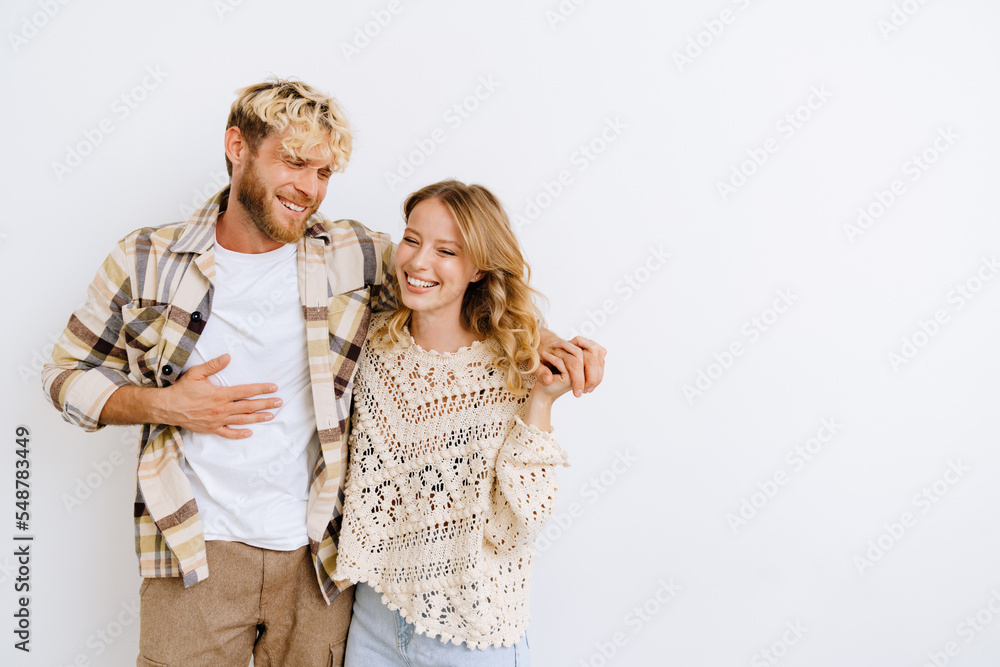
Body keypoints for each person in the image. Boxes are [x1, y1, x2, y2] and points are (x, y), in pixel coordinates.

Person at [41, 79, 605, 666]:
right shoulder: (147, 258)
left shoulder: (352, 253)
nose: (309, 188)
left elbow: (451, 277)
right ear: (237, 146)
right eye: (294, 162)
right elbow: (64, 376)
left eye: (324, 172)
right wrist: (163, 406)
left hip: (320, 565)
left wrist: (542, 340)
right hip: (193, 551)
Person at [335, 180, 599, 665]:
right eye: (412, 240)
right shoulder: (371, 345)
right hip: (372, 620)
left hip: (471, 634)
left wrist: (541, 400)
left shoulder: (513, 369)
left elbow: (519, 522)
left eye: (447, 251)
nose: (418, 262)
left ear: (478, 267)